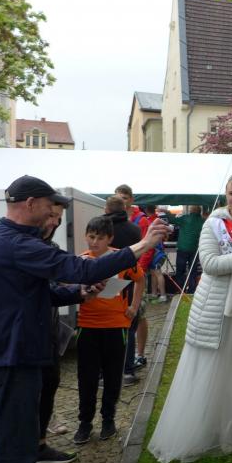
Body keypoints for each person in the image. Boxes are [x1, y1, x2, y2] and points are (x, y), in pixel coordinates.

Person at [0, 175, 167, 463]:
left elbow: (37, 291)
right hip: (12, 357)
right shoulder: (19, 244)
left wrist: (79, 293)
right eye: (49, 207)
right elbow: (79, 268)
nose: (52, 215)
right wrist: (143, 245)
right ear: (29, 204)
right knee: (16, 448)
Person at [148, 171, 232, 462]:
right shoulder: (214, 223)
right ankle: (201, 429)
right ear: (226, 195)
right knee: (210, 368)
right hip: (216, 309)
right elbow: (210, 264)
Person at [73, 216, 146, 444]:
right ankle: (85, 423)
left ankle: (108, 420)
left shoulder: (119, 259)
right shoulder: (81, 260)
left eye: (100, 238)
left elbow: (140, 279)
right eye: (91, 236)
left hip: (116, 326)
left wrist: (134, 306)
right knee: (87, 377)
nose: (94, 242)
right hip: (87, 326)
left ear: (110, 239)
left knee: (113, 376)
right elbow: (69, 285)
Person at [36, 202, 86, 463]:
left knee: (50, 382)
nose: (54, 222)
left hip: (50, 328)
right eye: (51, 216)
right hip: (28, 335)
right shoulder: (25, 247)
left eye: (58, 218)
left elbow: (57, 284)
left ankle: (39, 444)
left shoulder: (51, 248)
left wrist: (79, 288)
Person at [105, 194, 144, 385]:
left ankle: (105, 373)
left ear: (106, 209)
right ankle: (128, 371)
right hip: (130, 279)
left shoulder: (103, 227)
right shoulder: (134, 229)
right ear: (124, 208)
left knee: (106, 327)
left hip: (108, 281)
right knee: (128, 326)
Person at [114, 184, 151, 373]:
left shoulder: (140, 220)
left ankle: (140, 353)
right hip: (117, 274)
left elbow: (146, 247)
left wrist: (139, 270)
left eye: (125, 198)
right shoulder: (113, 218)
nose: (121, 201)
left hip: (136, 273)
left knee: (139, 313)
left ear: (131, 200)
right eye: (118, 197)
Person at [169, 205, 204, 293]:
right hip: (195, 249)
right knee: (193, 271)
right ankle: (192, 290)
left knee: (180, 271)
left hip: (182, 248)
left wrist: (167, 212)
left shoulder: (185, 218)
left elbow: (172, 219)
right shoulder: (202, 221)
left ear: (191, 211)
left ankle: (180, 289)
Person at [144, 204, 168, 303]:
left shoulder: (148, 221)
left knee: (157, 273)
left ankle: (163, 295)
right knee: (154, 273)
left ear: (146, 210)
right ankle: (154, 294)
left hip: (155, 252)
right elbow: (166, 236)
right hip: (157, 251)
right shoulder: (159, 220)